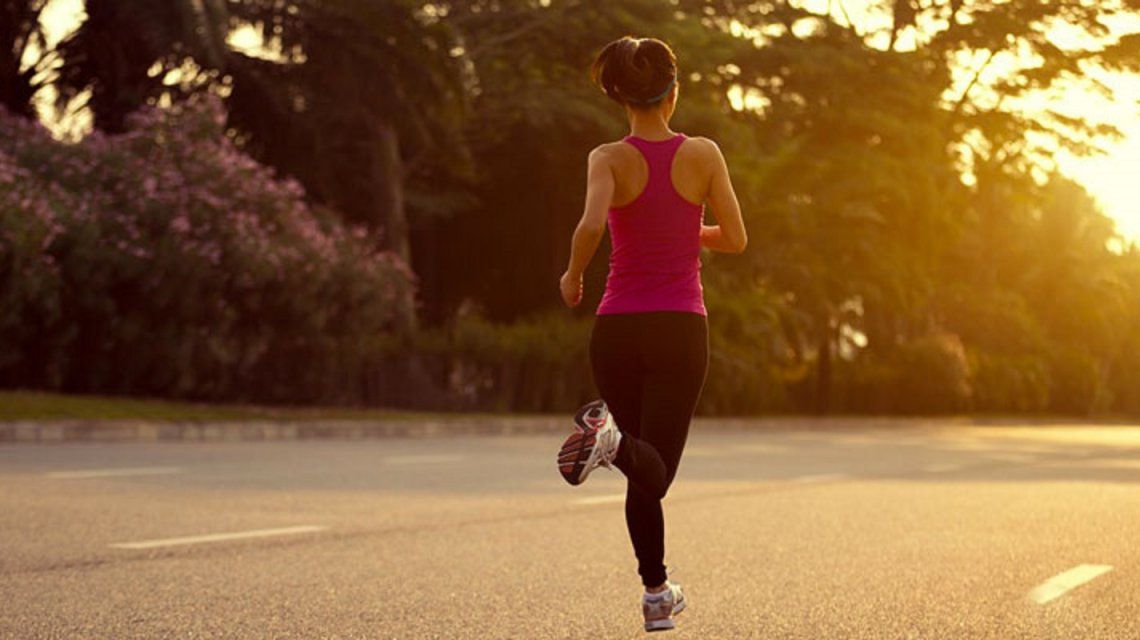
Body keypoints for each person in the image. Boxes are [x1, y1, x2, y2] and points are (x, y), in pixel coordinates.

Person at [555, 35, 747, 633]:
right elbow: (737, 238)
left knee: (642, 464)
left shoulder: (607, 157)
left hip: (616, 329)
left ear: (619, 98)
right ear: (674, 90)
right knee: (655, 466)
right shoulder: (705, 154)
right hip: (679, 329)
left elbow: (591, 223)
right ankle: (607, 441)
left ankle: (656, 593)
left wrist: (571, 274)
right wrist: (691, 228)